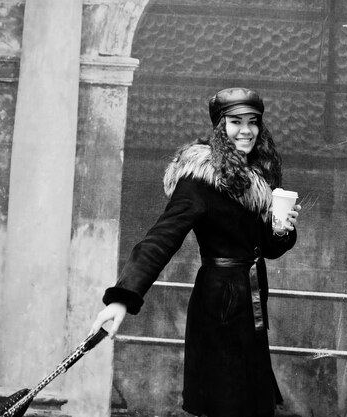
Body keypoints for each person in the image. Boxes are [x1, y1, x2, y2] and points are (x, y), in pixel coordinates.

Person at [89, 87, 301, 417]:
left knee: (251, 400)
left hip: (251, 298)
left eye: (253, 122)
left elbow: (267, 249)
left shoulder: (256, 175)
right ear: (221, 127)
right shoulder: (200, 178)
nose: (246, 131)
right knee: (226, 400)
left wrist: (280, 229)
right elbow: (160, 239)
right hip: (220, 302)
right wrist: (122, 298)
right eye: (235, 122)